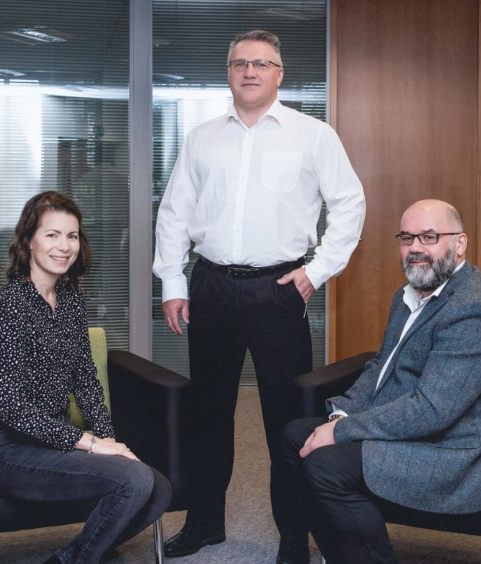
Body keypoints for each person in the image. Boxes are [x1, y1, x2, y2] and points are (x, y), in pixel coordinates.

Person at [153, 29, 365, 562]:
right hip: (211, 286)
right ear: (228, 72)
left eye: (261, 63)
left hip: (279, 289)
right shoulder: (202, 137)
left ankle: (294, 537)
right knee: (209, 413)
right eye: (239, 63)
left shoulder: (313, 135)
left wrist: (317, 271)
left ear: (279, 73)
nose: (249, 71)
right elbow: (174, 213)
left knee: (288, 421)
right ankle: (204, 525)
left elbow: (350, 205)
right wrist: (174, 283)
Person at [281, 199, 481, 563]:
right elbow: (381, 366)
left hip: (455, 452)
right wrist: (341, 416)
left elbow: (432, 410)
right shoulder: (408, 296)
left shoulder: (474, 311)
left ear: (459, 244)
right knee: (294, 436)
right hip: (418, 431)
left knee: (326, 464)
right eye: (407, 237)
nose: (415, 248)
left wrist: (341, 433)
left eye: (429, 237)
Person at [0, 191, 171, 564]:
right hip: (7, 451)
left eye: (72, 236)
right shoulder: (9, 306)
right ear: (28, 241)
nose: (64, 246)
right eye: (52, 235)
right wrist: (92, 445)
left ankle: (70, 558)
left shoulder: (69, 302)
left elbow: (85, 379)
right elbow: (8, 405)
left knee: (158, 488)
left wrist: (108, 438)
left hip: (53, 443)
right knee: (137, 481)